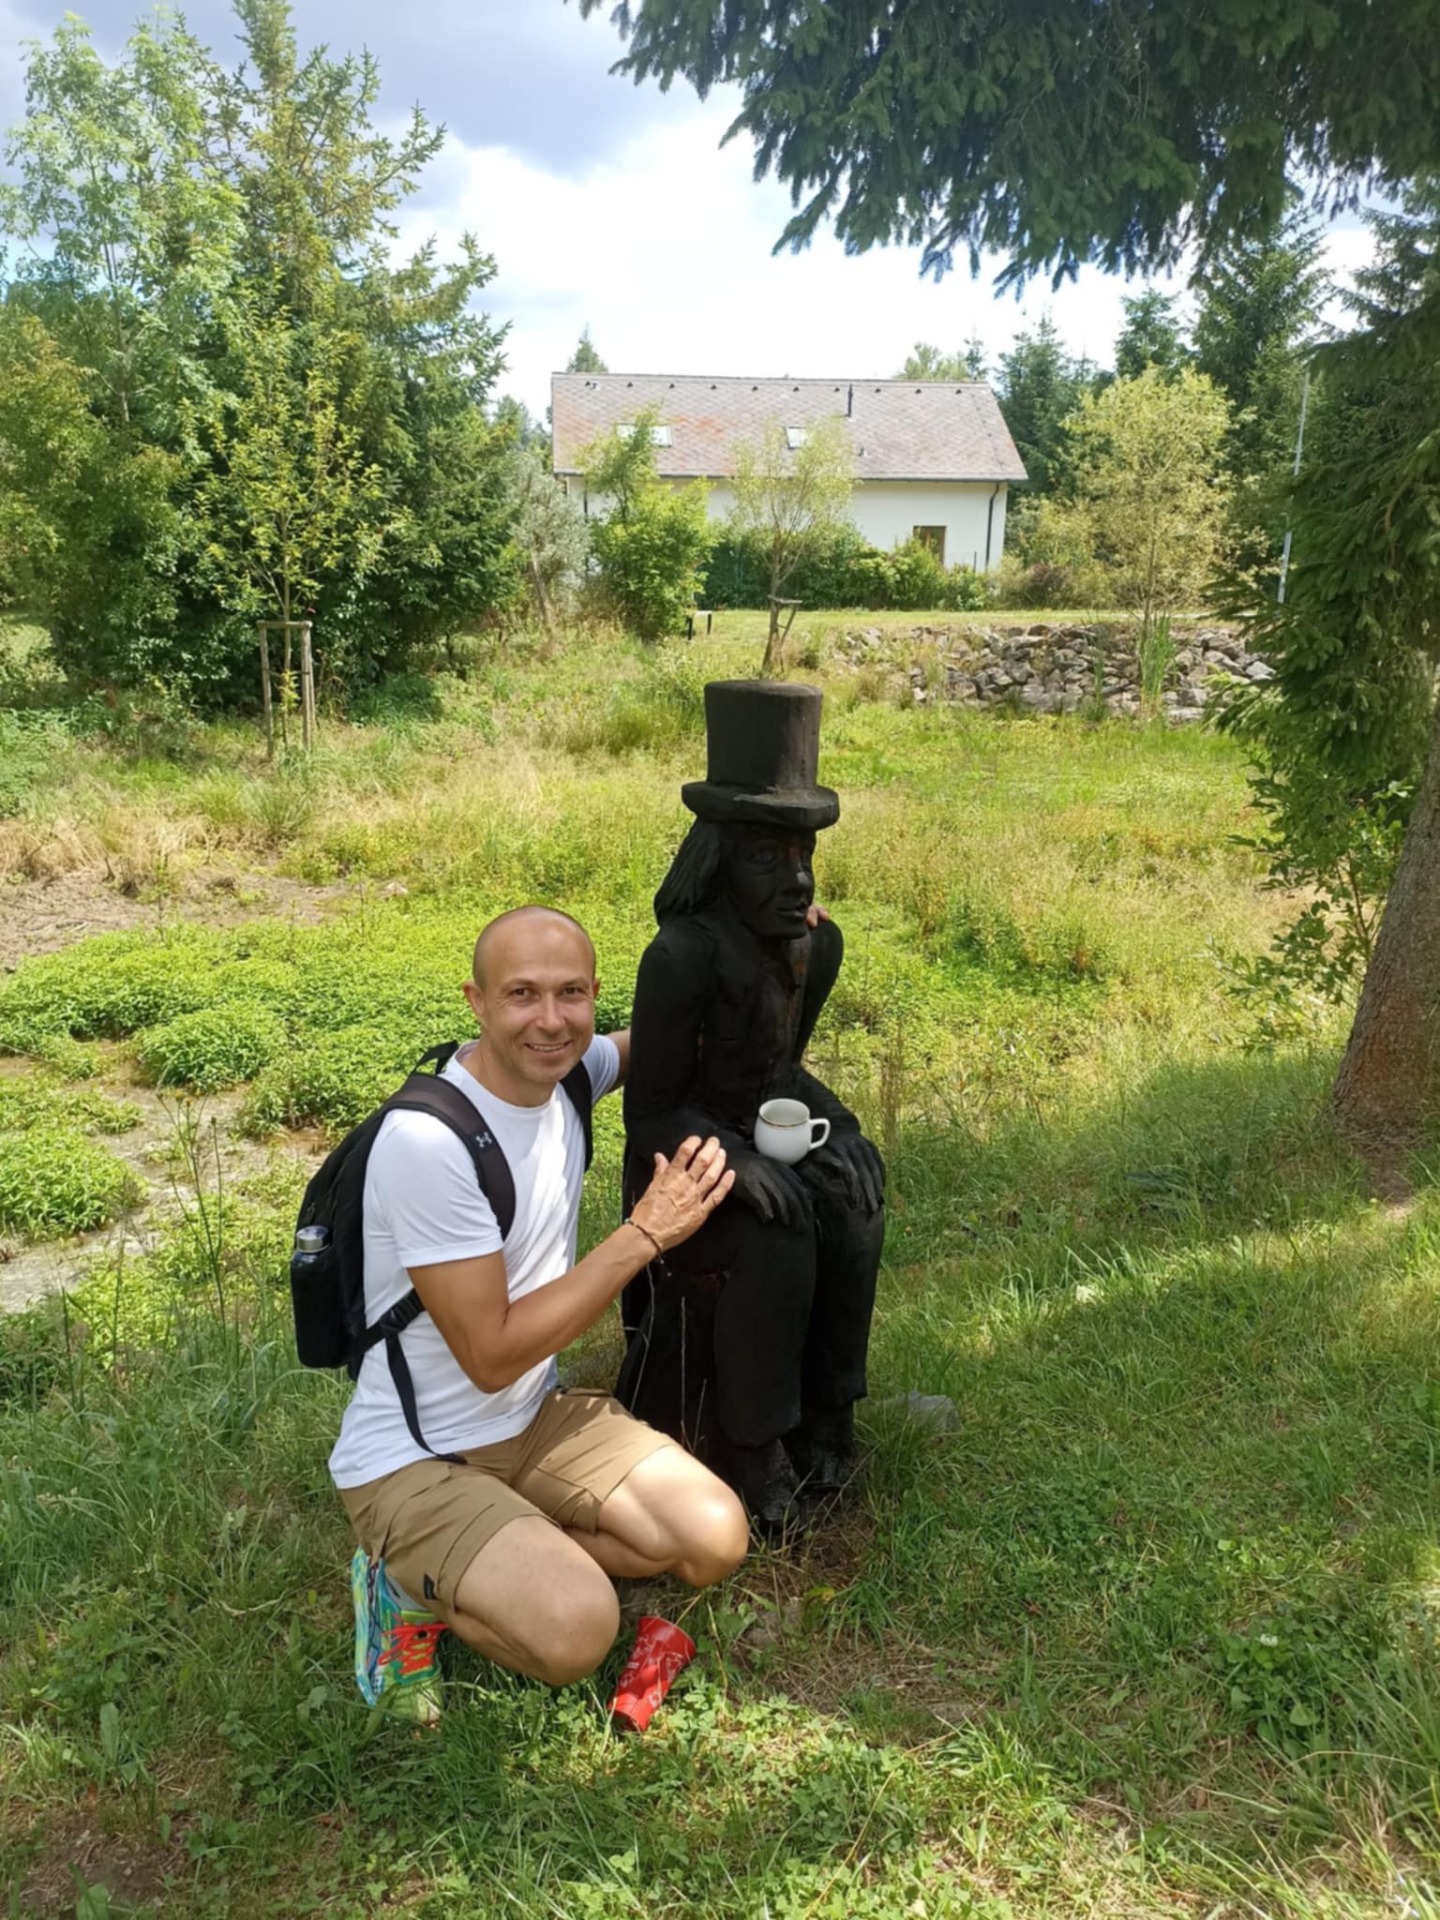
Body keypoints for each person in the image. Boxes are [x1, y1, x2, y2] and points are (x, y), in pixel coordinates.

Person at [329, 905, 749, 1719]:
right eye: (521, 994)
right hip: (418, 1456)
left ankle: (506, 1542)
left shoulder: (573, 1073)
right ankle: (396, 1583)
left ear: (593, 995)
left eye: (571, 994)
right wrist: (642, 1236)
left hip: (532, 1421)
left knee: (714, 1538)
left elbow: (670, 1035)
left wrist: (779, 943)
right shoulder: (428, 1143)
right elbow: (491, 1356)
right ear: (476, 1002)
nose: (550, 1021)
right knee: (578, 1630)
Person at [617, 681, 885, 1536]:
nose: (795, 879)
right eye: (766, 858)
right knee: (778, 1231)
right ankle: (751, 1444)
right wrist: (730, 1160)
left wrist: (842, 1129)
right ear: (719, 858)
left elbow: (783, 1071)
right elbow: (649, 1112)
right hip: (675, 1161)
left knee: (853, 1201)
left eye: (804, 856)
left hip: (753, 1132)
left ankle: (829, 1413)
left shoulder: (815, 945)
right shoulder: (680, 957)